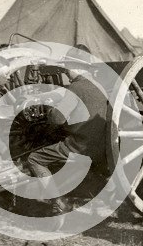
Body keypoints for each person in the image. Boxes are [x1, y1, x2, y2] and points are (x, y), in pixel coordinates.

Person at [26, 44, 108, 213]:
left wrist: (50, 108)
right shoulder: (99, 86)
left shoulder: (75, 88)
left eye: (68, 68)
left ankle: (57, 200)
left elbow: (57, 119)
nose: (65, 72)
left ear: (77, 68)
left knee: (34, 158)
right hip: (102, 146)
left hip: (78, 147)